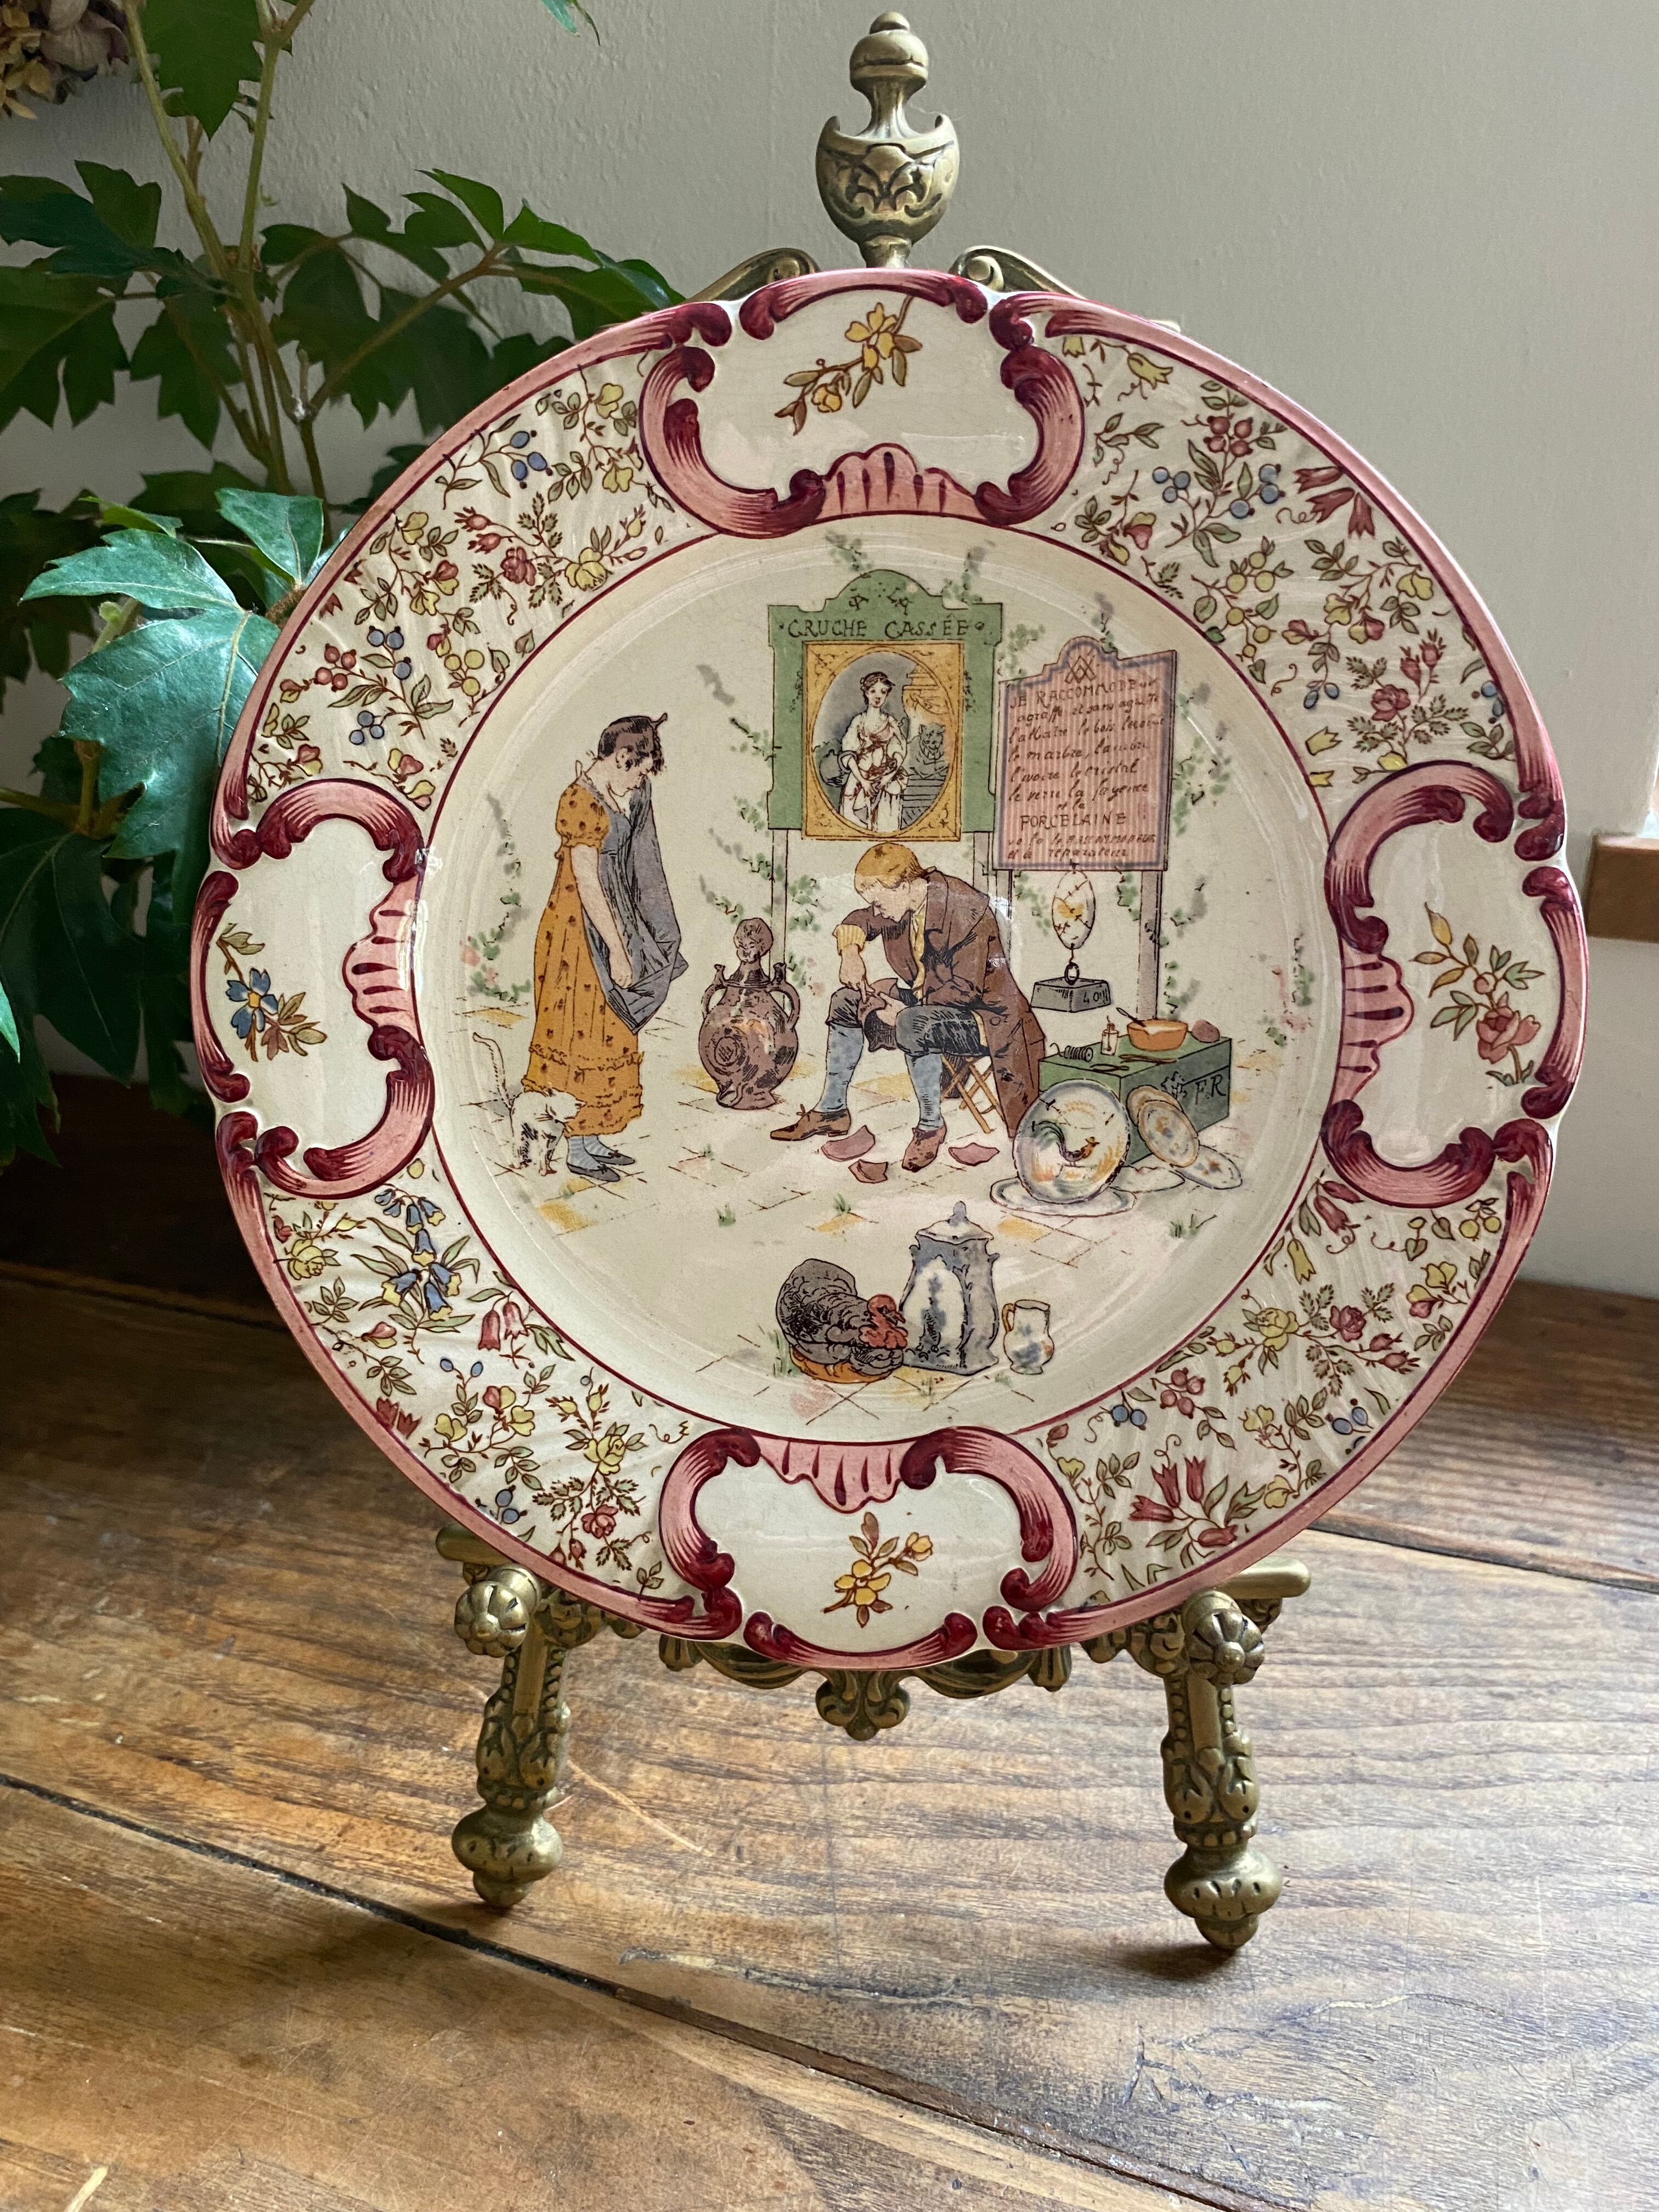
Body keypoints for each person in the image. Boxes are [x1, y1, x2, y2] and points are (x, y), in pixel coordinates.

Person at [772, 840, 1046, 1172]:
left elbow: (966, 990)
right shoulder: (902, 905)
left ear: (903, 885)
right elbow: (861, 920)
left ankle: (931, 1127)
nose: (877, 911)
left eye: (878, 902)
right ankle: (832, 1110)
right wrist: (851, 954)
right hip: (929, 1002)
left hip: (985, 1018)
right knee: (845, 1002)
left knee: (913, 1024)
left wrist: (901, 1012)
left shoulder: (966, 910)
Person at [522, 713, 686, 1184]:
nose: (640, 780)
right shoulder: (579, 801)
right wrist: (616, 949)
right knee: (584, 1029)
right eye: (639, 770)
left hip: (612, 919)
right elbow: (588, 882)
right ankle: (576, 1145)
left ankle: (592, 1136)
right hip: (578, 933)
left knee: (614, 1026)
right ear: (621, 756)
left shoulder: (622, 792)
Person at [837, 669, 908, 833]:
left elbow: (899, 750)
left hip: (885, 778)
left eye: (883, 692)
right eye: (873, 691)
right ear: (866, 693)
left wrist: (888, 777)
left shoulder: (890, 722)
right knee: (852, 819)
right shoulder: (859, 721)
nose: (878, 696)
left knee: (884, 823)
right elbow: (848, 753)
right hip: (860, 776)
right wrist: (863, 781)